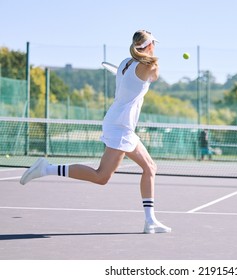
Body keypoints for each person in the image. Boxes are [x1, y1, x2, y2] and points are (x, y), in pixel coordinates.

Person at [20, 30, 171, 234]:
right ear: (150, 46)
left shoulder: (127, 62)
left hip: (121, 124)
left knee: (150, 167)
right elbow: (154, 75)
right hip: (120, 128)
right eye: (154, 44)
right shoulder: (148, 66)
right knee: (101, 177)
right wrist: (153, 59)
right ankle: (46, 168)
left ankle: (150, 220)